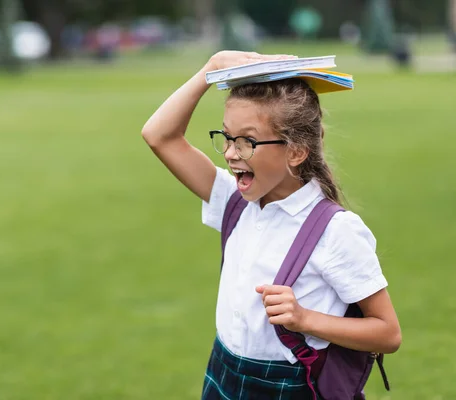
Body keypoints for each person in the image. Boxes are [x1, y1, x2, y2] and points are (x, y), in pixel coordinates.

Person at [141, 51, 401, 399]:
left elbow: (387, 333)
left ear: (296, 151)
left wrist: (304, 319)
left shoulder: (335, 231)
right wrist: (211, 69)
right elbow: (159, 135)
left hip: (288, 385)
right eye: (227, 137)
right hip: (224, 371)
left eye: (247, 141)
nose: (231, 153)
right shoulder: (233, 201)